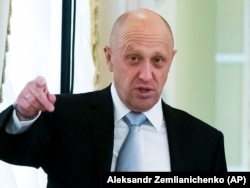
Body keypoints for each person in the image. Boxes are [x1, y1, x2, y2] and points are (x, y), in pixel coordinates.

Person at [0, 8, 227, 188]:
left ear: (171, 61)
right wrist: (23, 114)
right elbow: (9, 149)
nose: (146, 75)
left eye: (158, 60)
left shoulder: (205, 143)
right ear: (109, 58)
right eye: (134, 58)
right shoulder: (64, 117)